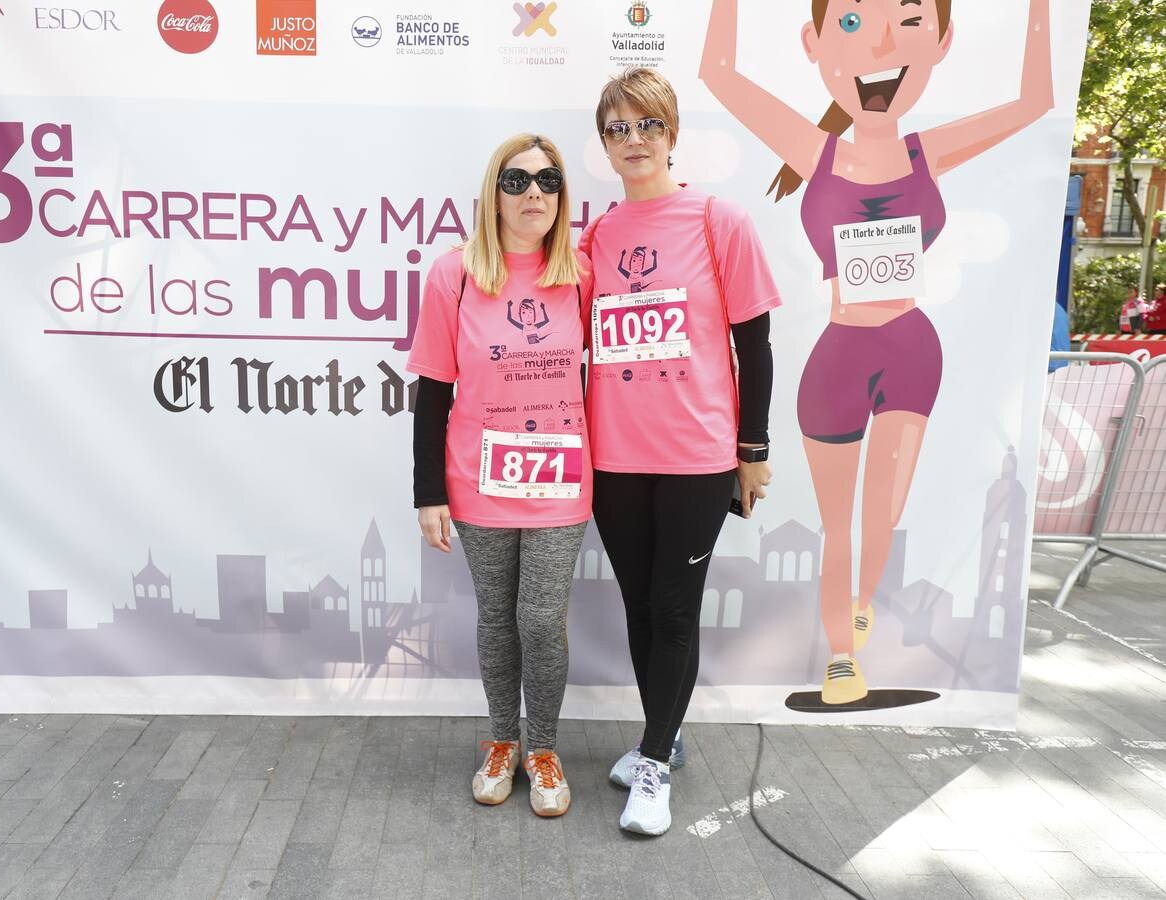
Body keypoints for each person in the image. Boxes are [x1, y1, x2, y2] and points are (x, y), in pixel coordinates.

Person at [701, 0, 1052, 704]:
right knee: (838, 524)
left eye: (911, 21)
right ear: (815, 42)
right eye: (854, 22)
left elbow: (1035, 101)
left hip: (911, 352)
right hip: (839, 360)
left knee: (882, 515)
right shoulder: (815, 150)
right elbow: (718, 72)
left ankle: (859, 601)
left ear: (941, 41)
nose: (883, 41)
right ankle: (841, 656)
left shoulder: (929, 151)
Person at [579, 67, 780, 835]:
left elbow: (754, 343)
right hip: (616, 458)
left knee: (673, 606)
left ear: (672, 133)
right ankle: (660, 737)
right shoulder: (598, 234)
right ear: (605, 143)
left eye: (648, 126)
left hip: (699, 456)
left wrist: (751, 449)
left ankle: (654, 765)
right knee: (638, 607)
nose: (634, 141)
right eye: (619, 129)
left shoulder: (715, 219)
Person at [407, 134, 592, 818]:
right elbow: (432, 389)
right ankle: (502, 741)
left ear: (561, 197)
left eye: (547, 181)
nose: (533, 193)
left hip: (560, 480)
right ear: (493, 194)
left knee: (540, 620)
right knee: (497, 621)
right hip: (478, 479)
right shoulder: (453, 274)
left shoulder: (583, 273)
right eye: (516, 182)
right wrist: (428, 492)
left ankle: (543, 747)